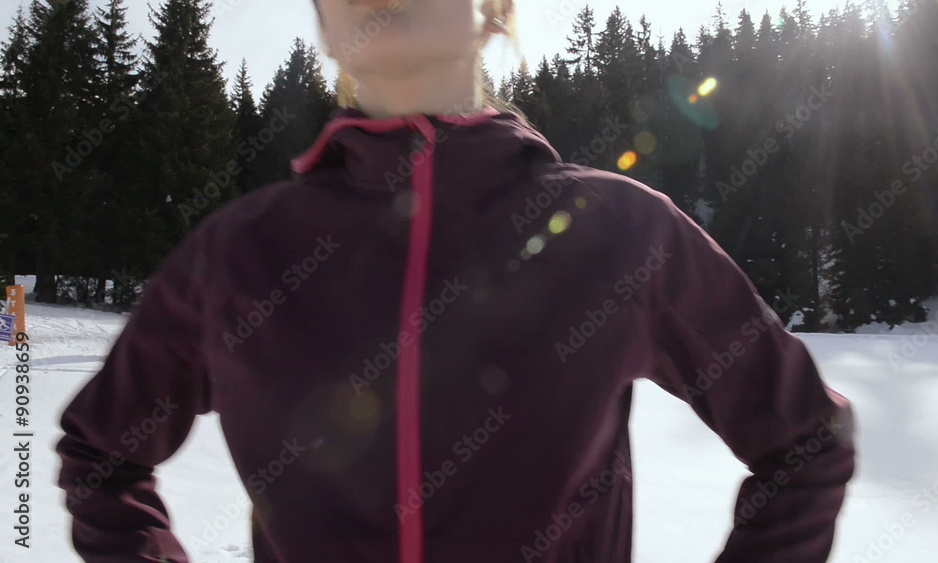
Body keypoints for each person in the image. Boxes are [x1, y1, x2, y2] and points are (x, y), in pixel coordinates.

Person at [55, 1, 856, 562]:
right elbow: (102, 451)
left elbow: (805, 440)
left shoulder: (621, 229)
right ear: (325, 26)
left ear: (495, 9)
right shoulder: (239, 250)